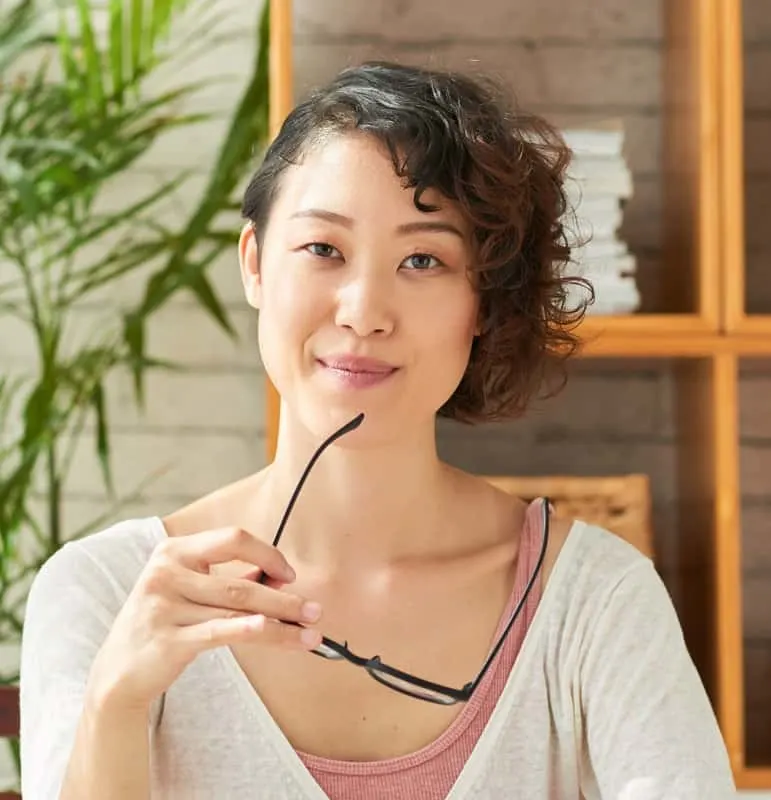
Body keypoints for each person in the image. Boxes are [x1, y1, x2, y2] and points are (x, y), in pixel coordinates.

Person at [19, 61, 736, 799]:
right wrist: (116, 702)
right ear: (255, 265)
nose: (364, 311)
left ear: (483, 301)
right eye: (323, 250)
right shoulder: (103, 594)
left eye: (422, 259)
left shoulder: (595, 601)